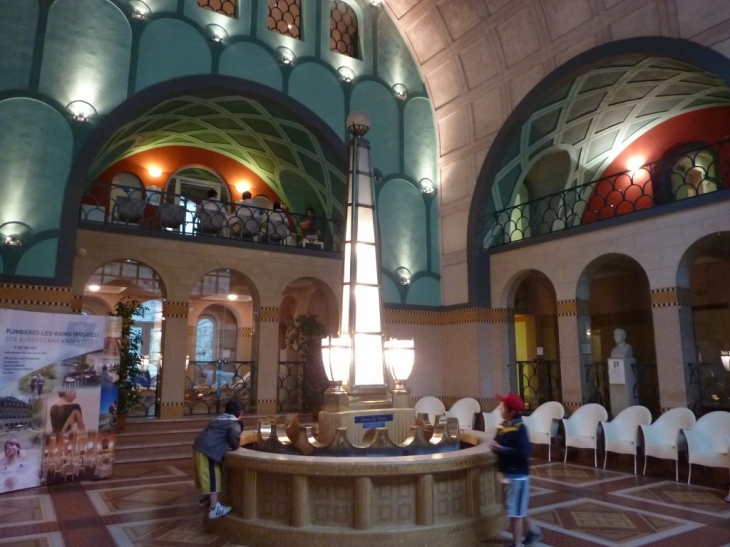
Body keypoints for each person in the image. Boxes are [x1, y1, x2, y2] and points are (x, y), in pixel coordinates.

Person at [490, 393, 542, 547]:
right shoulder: (503, 426)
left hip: (518, 475)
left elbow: (523, 452)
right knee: (517, 507)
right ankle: (533, 531)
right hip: (507, 473)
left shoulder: (520, 429)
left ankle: (517, 543)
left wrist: (502, 449)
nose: (500, 409)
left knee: (515, 513)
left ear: (511, 411)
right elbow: (497, 442)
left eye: (503, 407)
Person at [193, 399, 244, 519]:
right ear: (240, 413)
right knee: (213, 478)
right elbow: (233, 435)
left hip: (199, 447)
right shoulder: (234, 423)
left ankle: (205, 499)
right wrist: (235, 446)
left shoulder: (220, 419)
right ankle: (214, 508)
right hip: (208, 450)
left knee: (205, 476)